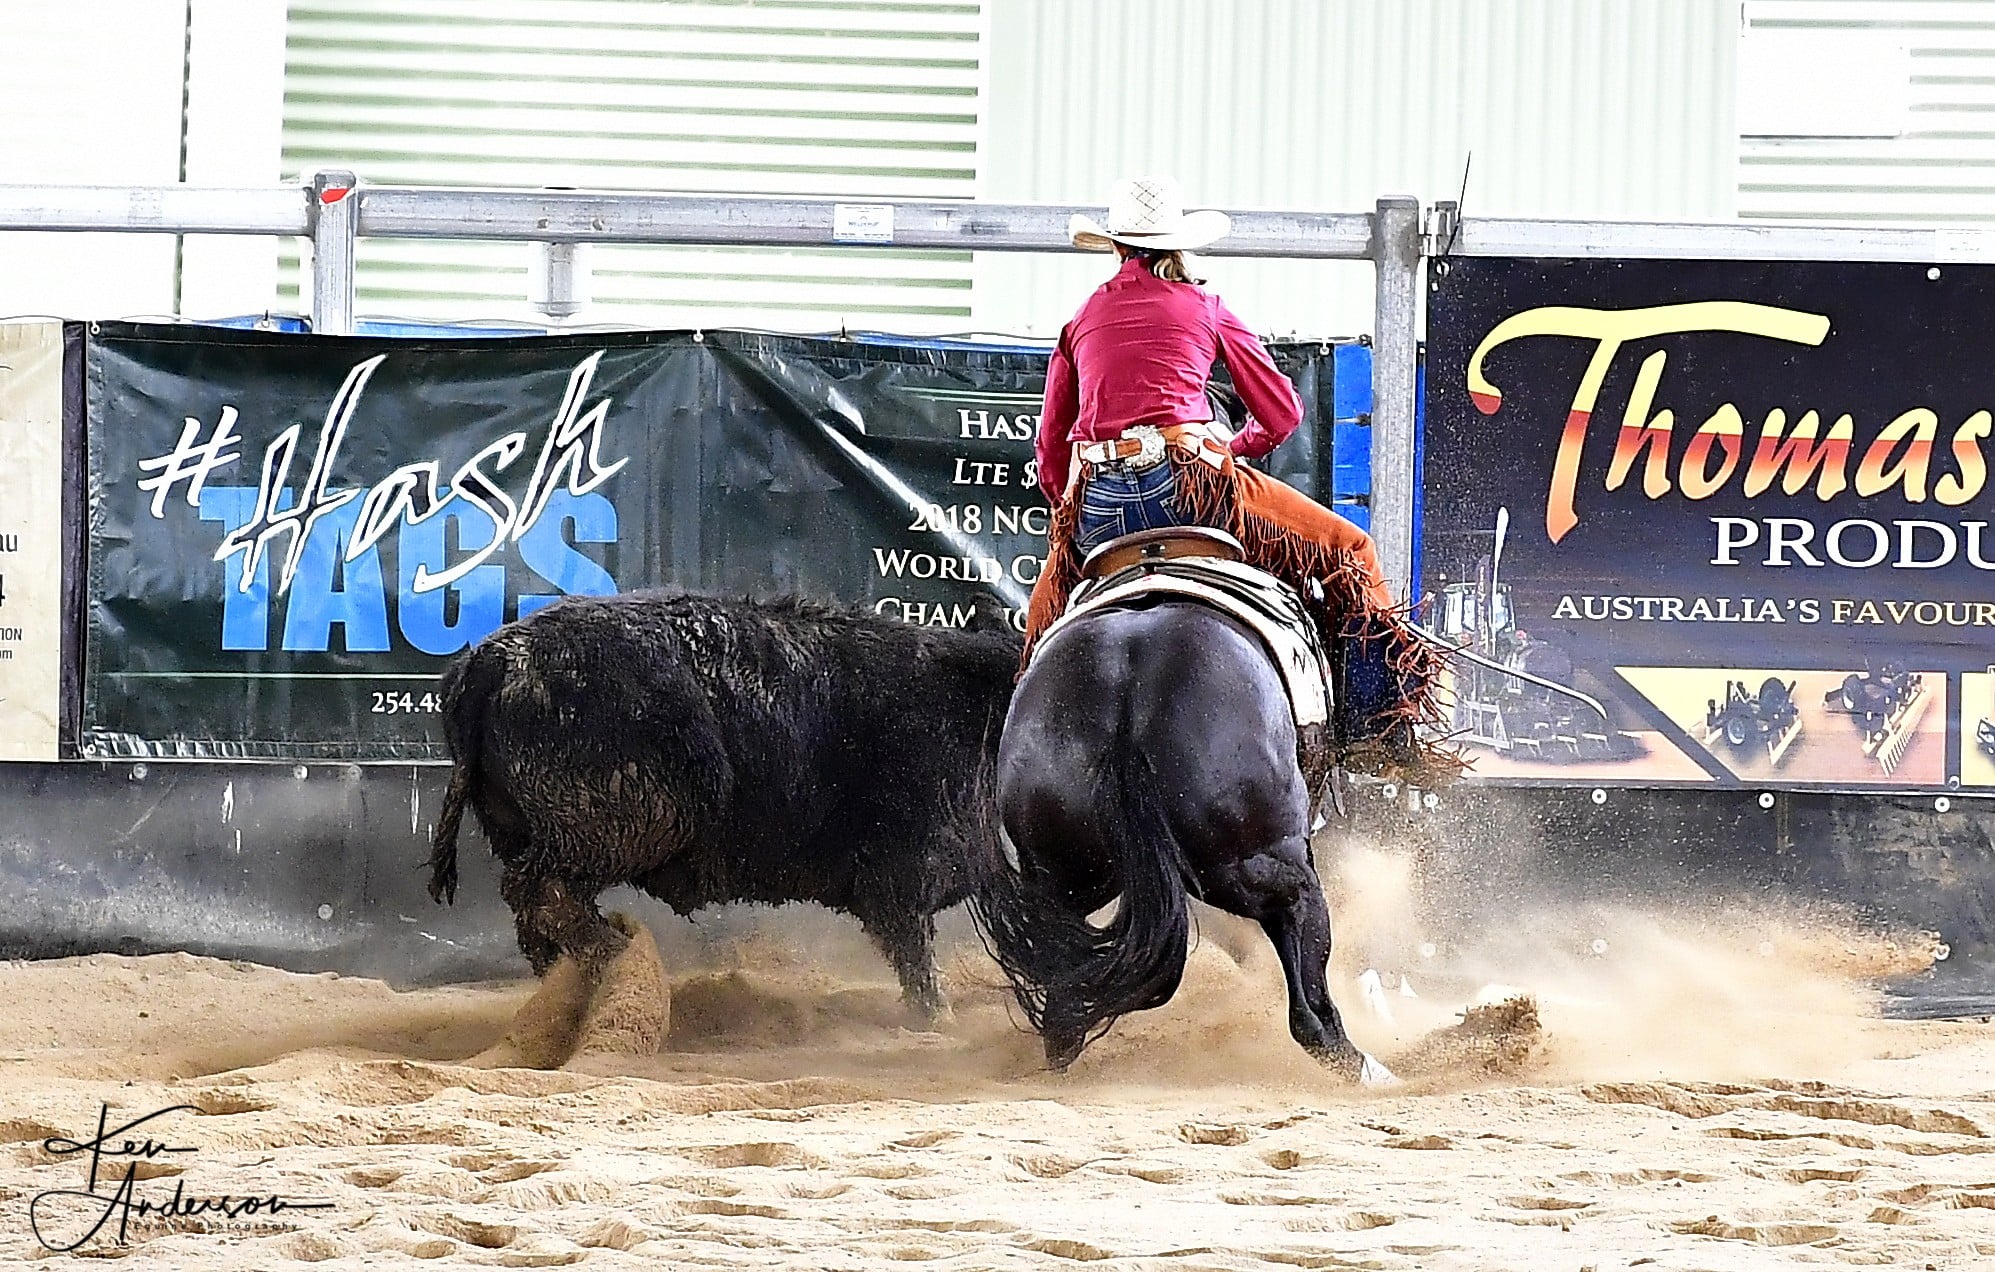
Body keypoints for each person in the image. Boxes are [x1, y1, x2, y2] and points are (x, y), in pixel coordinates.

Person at [1021, 175, 1400, 666]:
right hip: (1192, 492)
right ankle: (1386, 704)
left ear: (1115, 246)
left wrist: (1069, 508)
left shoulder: (1081, 319)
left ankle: (1024, 687)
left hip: (1101, 505)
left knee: (1042, 624)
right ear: (1178, 245)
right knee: (1352, 550)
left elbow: (1051, 449)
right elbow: (1282, 414)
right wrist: (1233, 448)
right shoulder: (1206, 307)